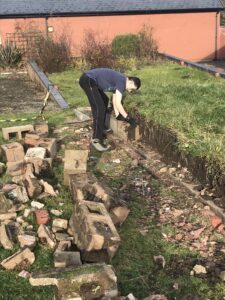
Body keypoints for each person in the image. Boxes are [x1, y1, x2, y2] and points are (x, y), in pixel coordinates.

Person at [79, 68, 141, 152]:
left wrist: (118, 115)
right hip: (88, 79)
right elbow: (118, 103)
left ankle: (101, 127)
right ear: (130, 82)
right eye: (131, 89)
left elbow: (115, 100)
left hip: (90, 81)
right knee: (99, 108)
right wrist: (128, 118)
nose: (129, 91)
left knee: (104, 100)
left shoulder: (121, 82)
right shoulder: (122, 81)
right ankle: (96, 139)